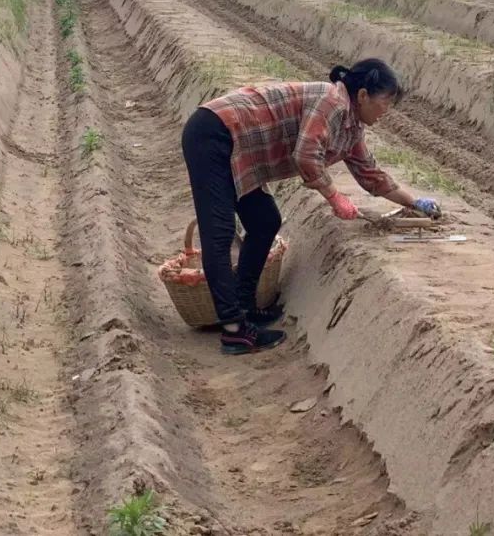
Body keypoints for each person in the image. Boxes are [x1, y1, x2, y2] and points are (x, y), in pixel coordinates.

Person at [181, 58, 440, 356]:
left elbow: (371, 176)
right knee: (219, 233)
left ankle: (244, 306)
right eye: (385, 102)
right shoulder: (332, 103)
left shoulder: (351, 126)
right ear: (363, 95)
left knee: (264, 219)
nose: (386, 111)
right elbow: (306, 155)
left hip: (241, 146)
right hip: (215, 132)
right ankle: (234, 331)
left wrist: (415, 203)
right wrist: (334, 196)